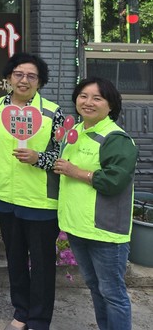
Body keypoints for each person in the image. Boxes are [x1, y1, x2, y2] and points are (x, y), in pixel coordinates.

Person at [0, 53, 64, 330]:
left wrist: (39, 158)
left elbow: (63, 155)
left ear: (40, 81)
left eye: (31, 76)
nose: (24, 80)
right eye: (18, 74)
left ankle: (39, 319)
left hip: (39, 200)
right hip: (5, 196)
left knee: (42, 264)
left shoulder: (52, 112)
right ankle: (21, 311)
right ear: (8, 77)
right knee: (14, 259)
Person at [54, 77, 138, 330]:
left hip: (105, 231)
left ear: (110, 105)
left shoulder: (115, 138)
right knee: (95, 287)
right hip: (78, 227)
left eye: (97, 98)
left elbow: (115, 181)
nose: (88, 102)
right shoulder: (76, 132)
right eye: (83, 96)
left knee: (113, 293)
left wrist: (76, 172)